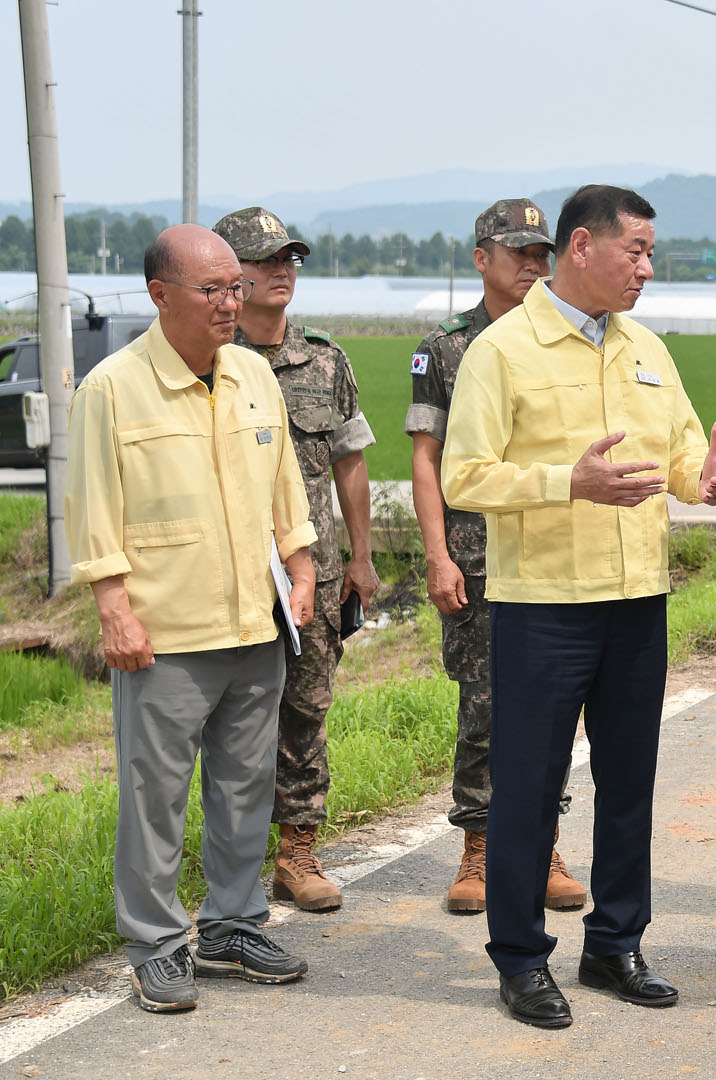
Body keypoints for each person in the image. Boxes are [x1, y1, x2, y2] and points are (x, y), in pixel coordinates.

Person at [441, 184, 716, 1030]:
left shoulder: (647, 348)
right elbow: (464, 476)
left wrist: (705, 479)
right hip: (544, 604)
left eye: (651, 254)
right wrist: (564, 483)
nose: (647, 268)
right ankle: (521, 959)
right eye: (635, 251)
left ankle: (615, 944)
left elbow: (681, 455)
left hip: (637, 599)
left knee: (629, 783)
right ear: (581, 246)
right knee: (528, 788)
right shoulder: (504, 350)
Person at [65, 224, 318, 1012]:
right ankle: (156, 944)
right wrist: (114, 609)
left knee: (246, 788)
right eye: (211, 290)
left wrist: (302, 564)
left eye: (234, 287)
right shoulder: (112, 388)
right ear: (160, 295)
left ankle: (233, 926)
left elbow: (283, 483)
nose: (229, 303)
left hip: (254, 624)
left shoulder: (252, 373)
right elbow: (92, 509)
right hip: (164, 634)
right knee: (156, 798)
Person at [405, 198, 585, 914]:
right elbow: (427, 459)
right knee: (483, 704)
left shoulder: (565, 334)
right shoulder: (448, 347)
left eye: (542, 254)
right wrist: (437, 555)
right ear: (482, 259)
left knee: (553, 706)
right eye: (519, 253)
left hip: (551, 552)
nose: (533, 266)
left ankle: (543, 845)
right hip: (477, 558)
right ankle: (479, 847)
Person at [213, 206, 378, 912]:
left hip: (314, 571)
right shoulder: (209, 361)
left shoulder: (325, 361)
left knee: (306, 710)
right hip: (229, 573)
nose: (282, 271)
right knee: (231, 719)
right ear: (229, 275)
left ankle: (297, 852)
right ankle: (230, 861)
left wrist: (362, 559)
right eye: (265, 260)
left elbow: (351, 465)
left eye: (289, 259)